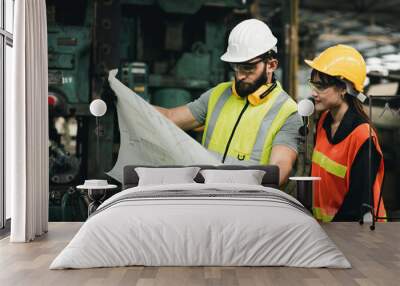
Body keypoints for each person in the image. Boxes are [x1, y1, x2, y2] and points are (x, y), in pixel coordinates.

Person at [156, 19, 303, 186]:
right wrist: (123, 98)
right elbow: (169, 117)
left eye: (248, 67)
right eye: (236, 66)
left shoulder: (287, 112)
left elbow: (281, 167)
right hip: (208, 196)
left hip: (248, 203)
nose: (240, 75)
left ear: (271, 65)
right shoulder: (219, 94)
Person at [305, 44, 386, 222]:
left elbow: (356, 204)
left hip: (357, 235)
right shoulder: (323, 121)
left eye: (321, 86)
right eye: (313, 84)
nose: (314, 93)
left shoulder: (363, 136)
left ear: (343, 89)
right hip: (328, 229)